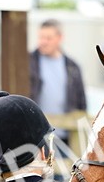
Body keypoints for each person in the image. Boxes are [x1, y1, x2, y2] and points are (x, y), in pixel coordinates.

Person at [28, 19, 88, 152]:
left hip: (66, 138)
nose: (43, 42)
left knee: (64, 172)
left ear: (60, 38)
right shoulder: (28, 62)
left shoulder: (73, 67)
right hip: (35, 138)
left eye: (48, 38)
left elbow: (81, 103)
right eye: (41, 37)